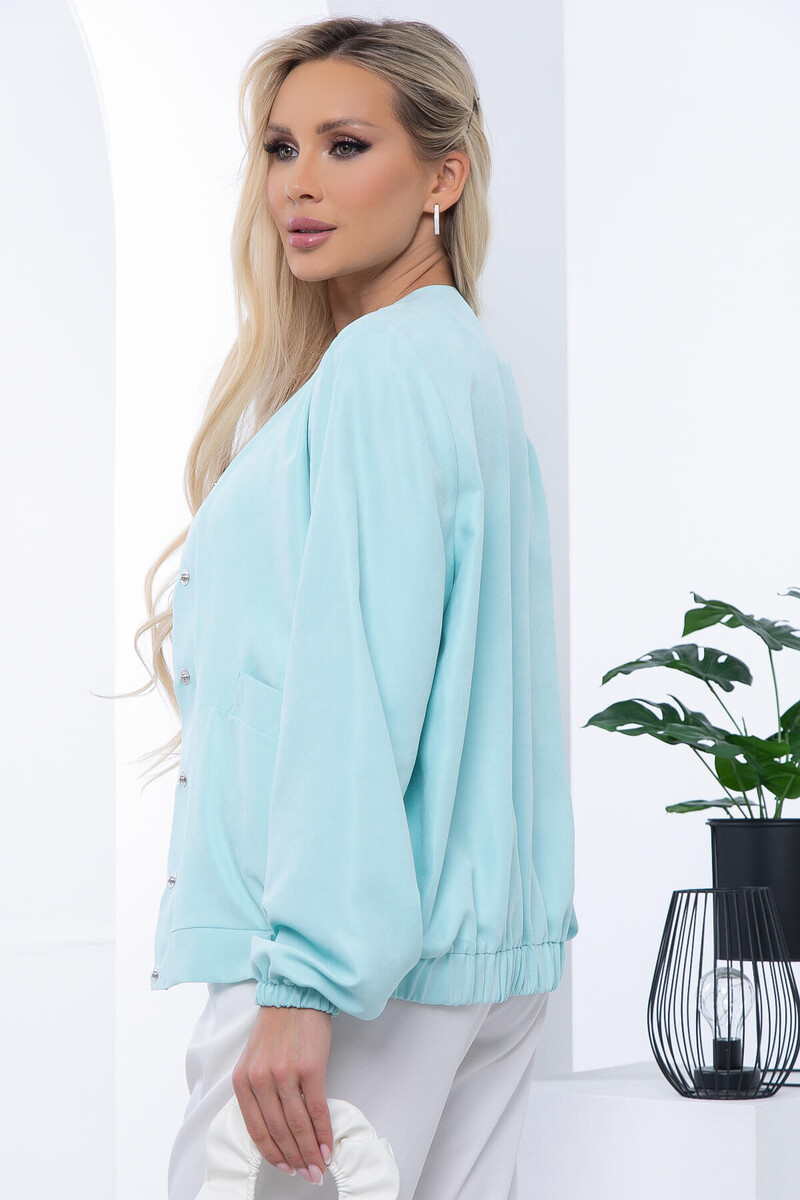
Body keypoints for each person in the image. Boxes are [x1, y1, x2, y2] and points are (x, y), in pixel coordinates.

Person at [132, 15, 578, 1200]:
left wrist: (303, 983)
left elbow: (354, 690)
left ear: (441, 177)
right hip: (470, 963)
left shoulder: (382, 370)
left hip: (342, 982)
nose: (299, 183)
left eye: (344, 145)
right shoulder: (462, 366)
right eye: (280, 149)